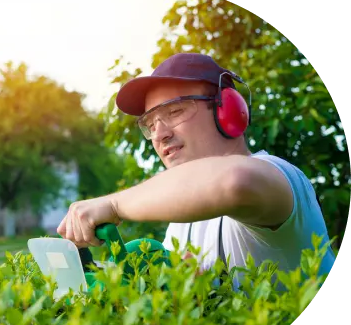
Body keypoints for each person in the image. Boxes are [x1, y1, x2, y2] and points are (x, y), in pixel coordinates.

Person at [57, 52, 336, 288]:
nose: (159, 135)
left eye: (174, 112)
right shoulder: (184, 219)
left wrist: (114, 204)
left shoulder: (278, 176)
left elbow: (234, 182)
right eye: (150, 125)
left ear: (228, 110)